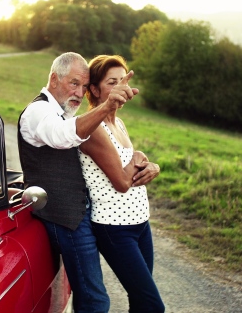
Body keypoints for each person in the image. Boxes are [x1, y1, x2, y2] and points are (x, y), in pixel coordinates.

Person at [17, 52, 138, 313]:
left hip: (82, 215)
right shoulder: (39, 110)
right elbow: (61, 137)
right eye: (74, 83)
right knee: (96, 300)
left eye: (84, 87)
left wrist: (143, 161)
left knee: (87, 297)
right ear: (54, 78)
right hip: (64, 218)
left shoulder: (61, 112)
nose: (80, 93)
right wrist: (105, 106)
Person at [78, 54, 165, 312]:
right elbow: (123, 182)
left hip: (140, 223)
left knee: (140, 302)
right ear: (94, 89)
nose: (121, 89)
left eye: (122, 81)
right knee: (152, 306)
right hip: (115, 228)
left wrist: (151, 165)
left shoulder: (119, 123)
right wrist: (137, 159)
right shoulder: (92, 128)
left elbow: (132, 165)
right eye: (111, 83)